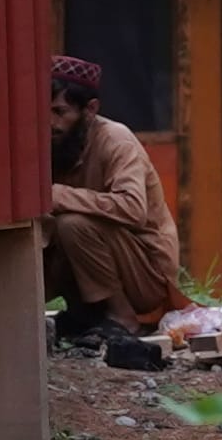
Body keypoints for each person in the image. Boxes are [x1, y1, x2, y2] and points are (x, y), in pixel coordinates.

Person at [43, 54, 183, 369]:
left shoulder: (116, 140)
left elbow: (133, 209)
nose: (50, 122)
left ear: (89, 110)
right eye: (43, 111)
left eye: (59, 112)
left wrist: (61, 195)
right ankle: (87, 314)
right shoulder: (56, 142)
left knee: (72, 224)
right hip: (100, 264)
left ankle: (124, 318)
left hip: (146, 274)